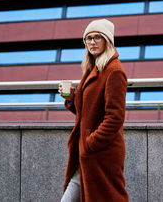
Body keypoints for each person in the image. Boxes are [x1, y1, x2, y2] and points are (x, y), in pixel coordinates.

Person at [59, 19, 129, 202]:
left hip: (101, 153)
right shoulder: (93, 68)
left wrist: (91, 143)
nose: (92, 42)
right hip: (87, 153)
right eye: (88, 38)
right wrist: (72, 99)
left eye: (97, 37)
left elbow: (115, 117)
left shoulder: (114, 71)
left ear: (107, 40)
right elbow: (89, 112)